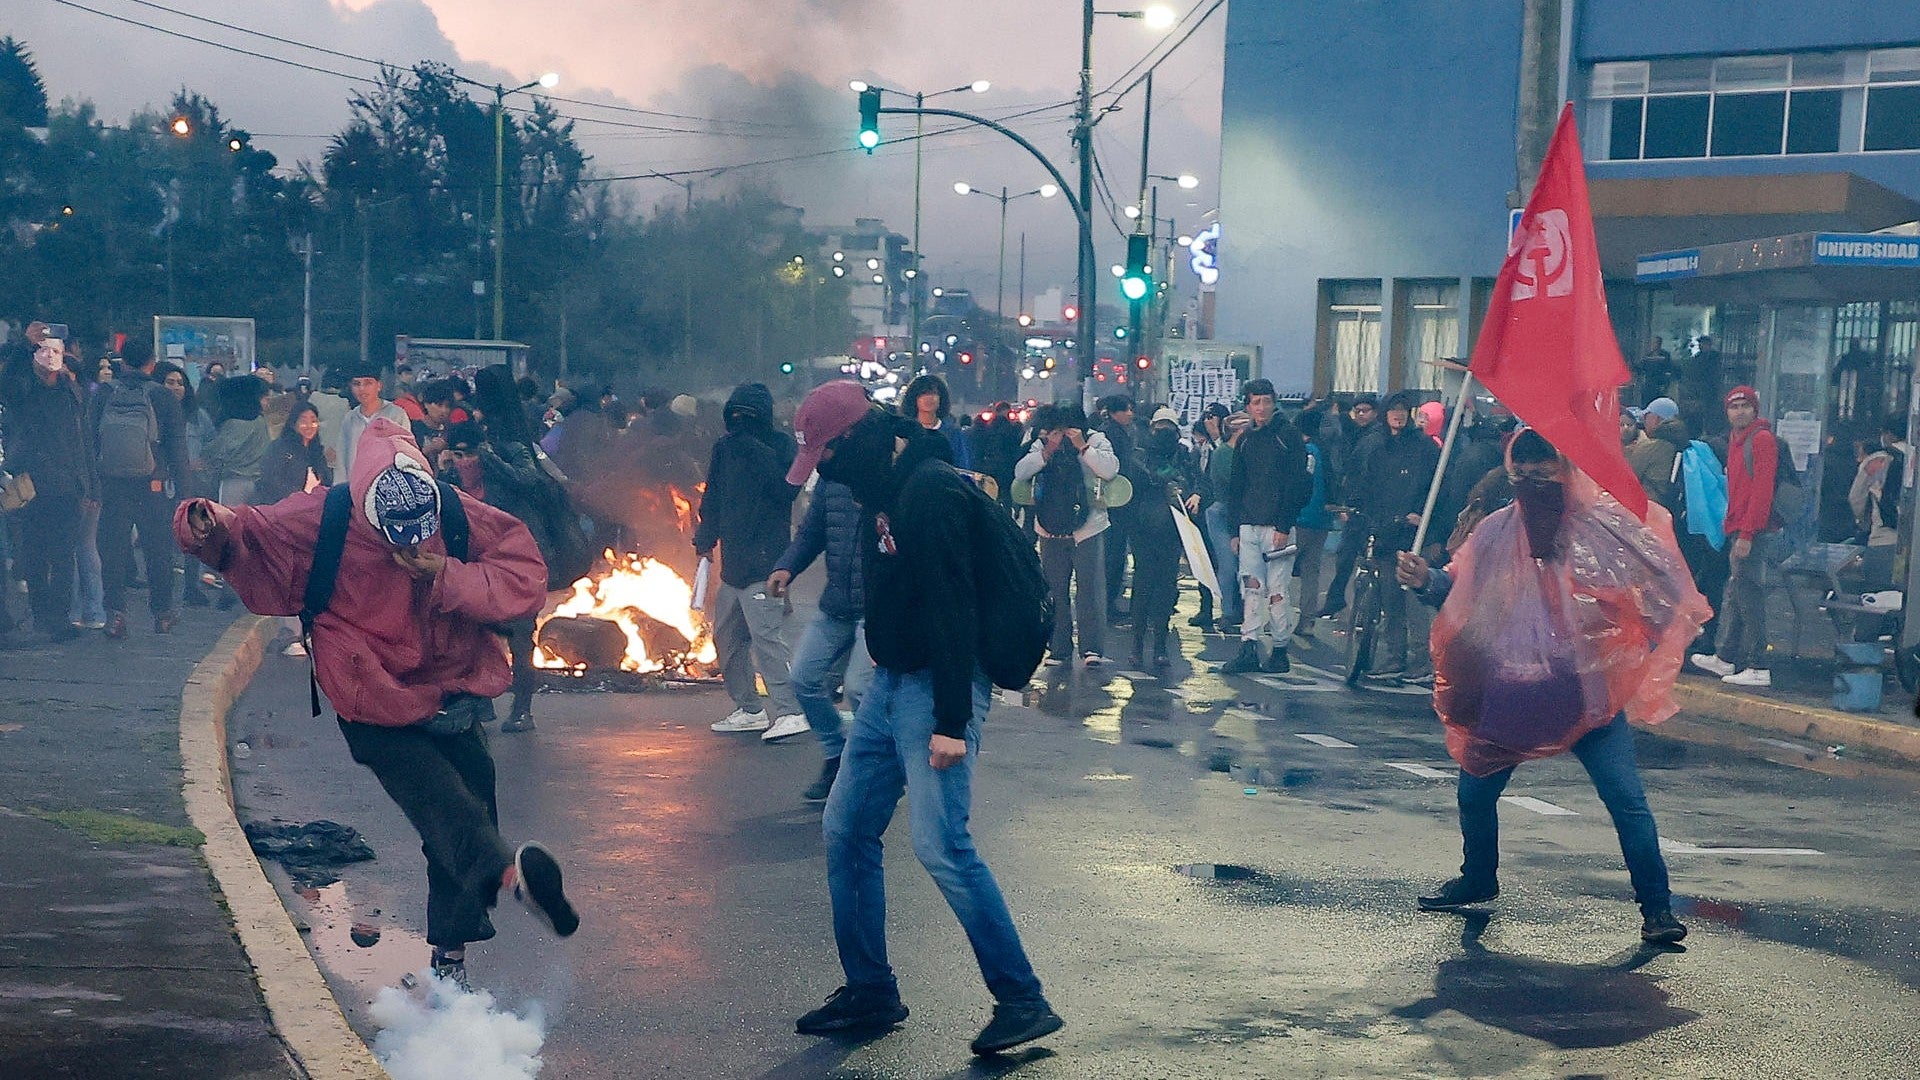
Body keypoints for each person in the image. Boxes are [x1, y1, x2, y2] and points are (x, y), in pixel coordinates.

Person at [175, 417, 577, 986]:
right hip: (372, 699)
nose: (410, 547)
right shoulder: (323, 517)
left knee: (470, 807)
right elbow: (247, 534)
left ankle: (451, 960)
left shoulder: (456, 509)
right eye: (398, 538)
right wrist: (203, 523)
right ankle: (509, 878)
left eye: (421, 536)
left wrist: (448, 575)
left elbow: (523, 576)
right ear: (369, 511)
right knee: (443, 804)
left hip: (452, 687)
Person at [785, 382, 1064, 1055]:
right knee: (846, 828)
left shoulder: (929, 492)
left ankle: (1022, 999)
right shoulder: (881, 482)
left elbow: (953, 607)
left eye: (828, 455)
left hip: (939, 687)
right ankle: (870, 992)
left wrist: (947, 722)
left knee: (942, 845)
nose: (824, 471)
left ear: (857, 437)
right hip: (890, 686)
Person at [1395, 430, 1704, 945]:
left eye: (1545, 474)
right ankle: (1477, 878)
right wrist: (1425, 578)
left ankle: (1657, 908)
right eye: (1523, 477)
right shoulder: (1495, 533)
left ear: (1566, 472)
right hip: (1515, 687)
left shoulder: (1603, 532)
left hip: (1588, 692)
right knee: (1475, 790)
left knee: (1626, 800)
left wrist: (1616, 621)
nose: (1534, 485)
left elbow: (1662, 585)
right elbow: (1460, 589)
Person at [769, 385, 877, 803]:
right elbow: (813, 530)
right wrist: (787, 566)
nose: (824, 461)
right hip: (838, 601)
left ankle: (876, 768)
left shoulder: (889, 475)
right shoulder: (831, 481)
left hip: (877, 606)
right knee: (803, 677)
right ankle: (837, 754)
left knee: (860, 687)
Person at [696, 383, 804, 738]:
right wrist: (705, 537)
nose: (740, 423)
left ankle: (790, 711)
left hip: (768, 563)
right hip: (734, 566)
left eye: (747, 416)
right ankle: (748, 708)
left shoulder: (781, 445)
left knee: (766, 639)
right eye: (735, 416)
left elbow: (786, 490)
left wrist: (756, 452)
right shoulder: (724, 449)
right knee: (726, 639)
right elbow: (713, 496)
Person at [467, 366, 570, 734]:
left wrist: (488, 457)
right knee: (478, 620)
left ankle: (522, 709)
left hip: (524, 543)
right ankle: (482, 701)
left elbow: (527, 479)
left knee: (522, 630)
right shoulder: (499, 432)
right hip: (494, 540)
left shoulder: (509, 439)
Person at [92, 336, 190, 638]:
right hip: (153, 484)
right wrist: (185, 490)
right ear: (152, 363)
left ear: (122, 360)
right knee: (158, 549)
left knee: (113, 549)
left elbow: (90, 439)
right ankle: (162, 613)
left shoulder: (104, 393)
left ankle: (115, 615)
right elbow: (176, 445)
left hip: (111, 482)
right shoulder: (162, 396)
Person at [0, 329, 93, 643]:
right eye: (42, 352)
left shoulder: (72, 392)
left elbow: (82, 442)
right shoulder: (24, 392)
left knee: (64, 555)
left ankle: (59, 617)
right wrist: (23, 344)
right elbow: (8, 381)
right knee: (36, 554)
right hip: (33, 483)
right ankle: (43, 616)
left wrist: (88, 485)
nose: (50, 360)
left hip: (67, 484)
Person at [1014, 402, 1121, 666]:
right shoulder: (1041, 442)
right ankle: (1059, 648)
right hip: (1049, 527)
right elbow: (1020, 472)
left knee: (1090, 589)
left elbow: (1109, 470)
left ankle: (1091, 649)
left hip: (1089, 527)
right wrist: (1048, 448)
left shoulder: (1096, 439)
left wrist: (1083, 446)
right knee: (1054, 589)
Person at [1216, 379, 1311, 675]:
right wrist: (1234, 529)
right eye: (1256, 402)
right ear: (1248, 405)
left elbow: (1298, 483)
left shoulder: (1288, 435)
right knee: (1251, 586)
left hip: (1277, 526)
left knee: (1278, 589)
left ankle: (1280, 648)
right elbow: (1237, 485)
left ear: (1274, 402)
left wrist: (1285, 523)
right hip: (1249, 525)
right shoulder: (1245, 439)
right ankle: (1249, 644)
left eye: (1266, 401)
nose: (1261, 408)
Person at [1690, 386, 1782, 689]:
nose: (1739, 411)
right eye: (1734, 406)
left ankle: (1758, 664)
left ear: (1755, 409)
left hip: (1751, 531)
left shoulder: (1762, 440)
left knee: (1749, 595)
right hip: (1737, 527)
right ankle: (1725, 655)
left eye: (1745, 405)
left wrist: (1747, 533)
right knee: (1735, 593)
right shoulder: (1736, 439)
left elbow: (1762, 492)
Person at [1355, 391, 1441, 683]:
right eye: (1393, 409)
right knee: (1390, 598)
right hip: (1384, 532)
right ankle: (1395, 656)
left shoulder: (1424, 448)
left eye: (1404, 409)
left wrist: (1422, 517)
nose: (1399, 414)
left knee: (1414, 599)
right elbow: (1365, 486)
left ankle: (1421, 659)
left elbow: (1436, 487)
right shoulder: (1376, 446)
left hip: (1414, 534)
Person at [1131, 407, 1195, 668]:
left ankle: (1159, 644)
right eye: (1160, 427)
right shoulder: (1140, 455)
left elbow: (1199, 483)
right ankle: (1136, 645)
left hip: (1172, 530)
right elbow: (1134, 485)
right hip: (1143, 530)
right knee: (1143, 587)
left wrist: (1195, 494)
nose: (1164, 433)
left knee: (1166, 589)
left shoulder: (1184, 455)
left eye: (1169, 428)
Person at [1319, 395, 1384, 617]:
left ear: (1375, 412)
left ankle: (1345, 600)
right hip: (1358, 506)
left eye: (1366, 410)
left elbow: (1358, 473)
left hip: (1365, 507)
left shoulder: (1373, 438)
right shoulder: (1359, 435)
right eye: (1358, 410)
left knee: (1352, 555)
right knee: (1349, 555)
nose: (1361, 415)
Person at [162, 362, 218, 608]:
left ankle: (191, 587)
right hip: (162, 482)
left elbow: (212, 444)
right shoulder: (153, 411)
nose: (176, 388)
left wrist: (201, 461)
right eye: (170, 382)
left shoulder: (197, 416)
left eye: (180, 383)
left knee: (195, 534)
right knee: (162, 538)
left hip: (193, 484)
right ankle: (163, 589)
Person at [1202, 410, 1249, 632]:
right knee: (1228, 564)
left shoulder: (1250, 452)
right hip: (1223, 512)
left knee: (1247, 566)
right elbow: (1231, 484)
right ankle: (1228, 612)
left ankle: (1243, 610)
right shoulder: (1222, 453)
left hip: (1245, 514)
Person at [1097, 395, 1140, 624]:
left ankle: (1109, 602)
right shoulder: (1110, 434)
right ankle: (1106, 603)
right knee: (1113, 554)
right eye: (1126, 410)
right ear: (1114, 413)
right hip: (1115, 501)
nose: (1130, 414)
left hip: (1120, 499)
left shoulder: (1121, 432)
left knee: (1116, 554)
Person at [338, 364, 408, 479]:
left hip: (387, 485)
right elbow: (342, 459)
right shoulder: (350, 419)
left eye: (368, 383)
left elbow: (406, 453)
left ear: (379, 386)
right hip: (355, 486)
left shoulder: (396, 415)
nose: (362, 389)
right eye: (357, 384)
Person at [902, 373, 971, 470]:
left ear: (941, 398)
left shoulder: (953, 433)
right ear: (914, 398)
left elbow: (963, 467)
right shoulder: (905, 431)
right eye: (923, 394)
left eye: (933, 393)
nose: (928, 398)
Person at [1627, 398, 1686, 509]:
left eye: (1646, 417)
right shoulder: (1679, 443)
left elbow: (1628, 476)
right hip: (1670, 506)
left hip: (1650, 507)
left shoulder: (1652, 446)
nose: (1643, 422)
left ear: (1656, 418)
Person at [967, 401, 1025, 509]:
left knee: (992, 495)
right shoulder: (1012, 429)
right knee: (1007, 495)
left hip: (989, 466)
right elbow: (1016, 446)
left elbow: (979, 447)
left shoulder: (986, 428)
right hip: (1007, 466)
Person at [411, 379, 458, 458]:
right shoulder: (412, 428)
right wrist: (427, 450)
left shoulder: (452, 430)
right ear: (426, 404)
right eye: (439, 405)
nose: (444, 410)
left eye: (448, 406)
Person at [1635, 337, 1679, 405]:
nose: (1653, 345)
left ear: (1659, 344)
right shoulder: (1648, 356)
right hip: (1649, 386)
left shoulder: (1665, 355)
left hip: (1660, 386)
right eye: (1652, 343)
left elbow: (1670, 369)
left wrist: (1665, 384)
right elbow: (1640, 368)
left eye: (1655, 343)